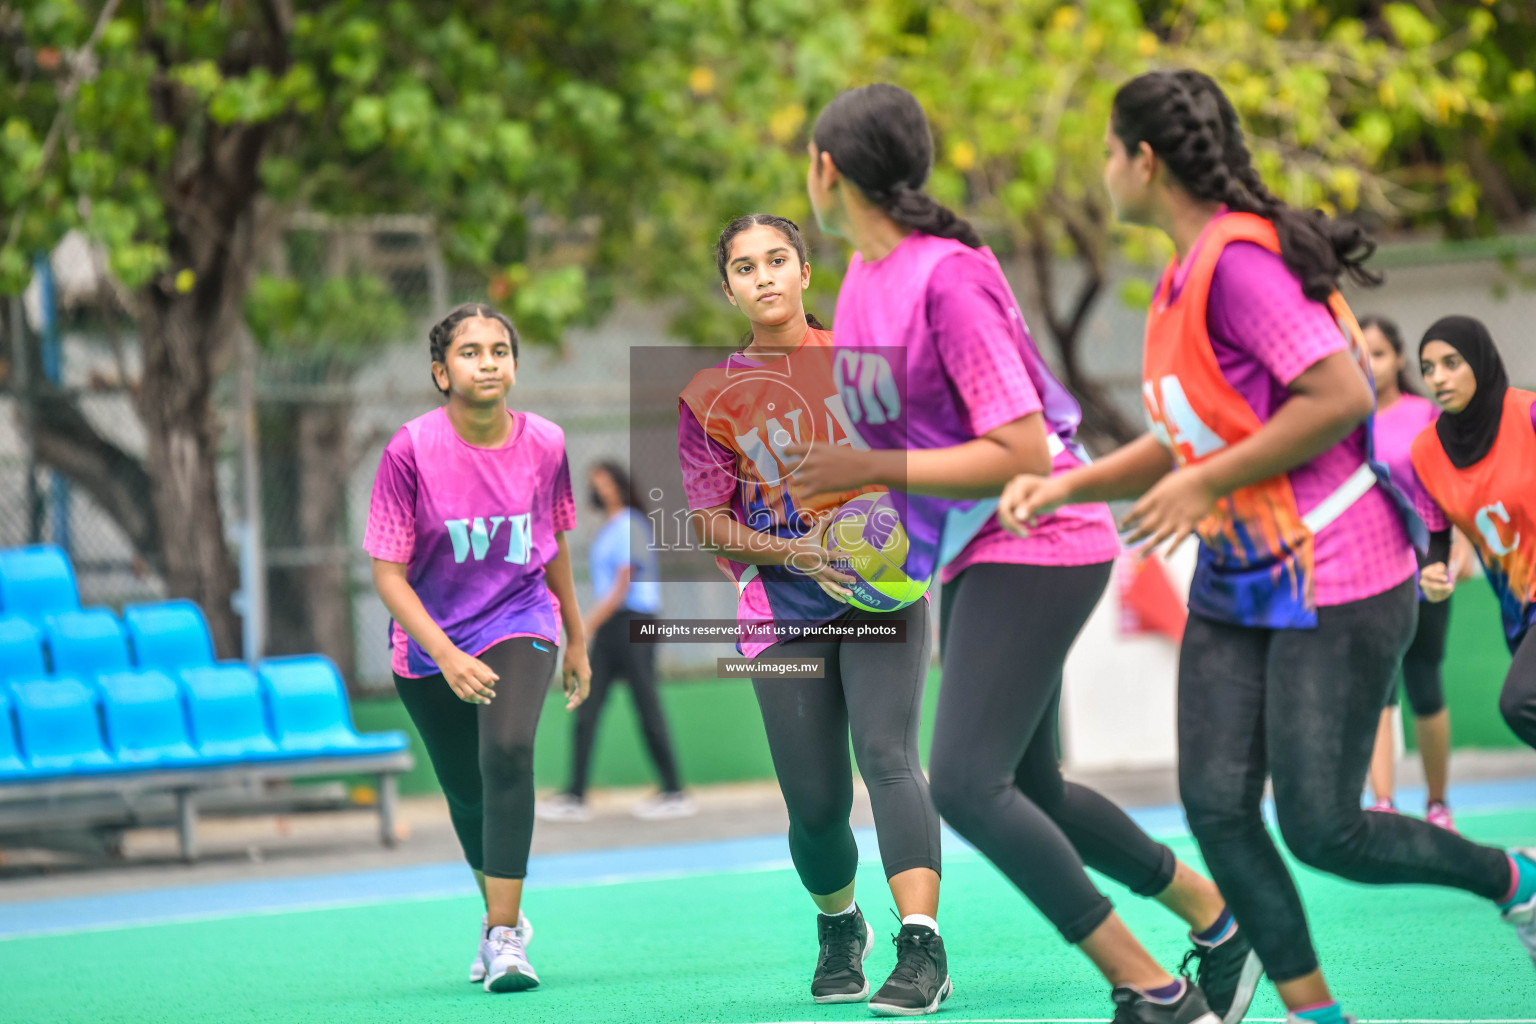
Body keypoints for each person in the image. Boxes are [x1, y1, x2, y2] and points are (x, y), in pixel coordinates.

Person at [1002, 69, 1536, 1023]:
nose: (1101, 168)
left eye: (1107, 150)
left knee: (1326, 829)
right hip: (1238, 578)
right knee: (1213, 805)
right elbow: (1189, 434)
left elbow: (1339, 397)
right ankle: (1314, 1012)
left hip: (1342, 570)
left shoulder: (1240, 261)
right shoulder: (1177, 275)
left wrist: (1203, 483)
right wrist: (1072, 481)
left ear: (1145, 159)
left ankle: (1516, 879)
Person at [788, 83, 1253, 1024]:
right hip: (971, 548)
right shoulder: (864, 283)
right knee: (1032, 787)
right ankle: (1220, 922)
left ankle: (1152, 988)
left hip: (1041, 537)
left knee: (962, 779)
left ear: (828, 171)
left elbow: (1022, 451)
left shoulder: (948, 276)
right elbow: (916, 451)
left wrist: (865, 462)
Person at [678, 213, 949, 1016]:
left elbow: (924, 464)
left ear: (804, 272)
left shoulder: (863, 366)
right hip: (782, 608)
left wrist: (899, 532)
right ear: (727, 288)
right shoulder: (707, 397)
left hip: (882, 599)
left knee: (890, 756)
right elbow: (707, 519)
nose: (762, 275)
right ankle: (841, 926)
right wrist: (795, 551)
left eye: (777, 259)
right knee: (817, 805)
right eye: (743, 266)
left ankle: (922, 943)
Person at [365, 302, 592, 993]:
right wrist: (445, 654)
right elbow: (387, 573)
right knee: (467, 794)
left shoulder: (547, 442)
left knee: (508, 752)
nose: (487, 362)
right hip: (429, 640)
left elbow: (552, 547)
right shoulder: (410, 449)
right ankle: (499, 918)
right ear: (441, 372)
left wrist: (576, 636)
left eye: (499, 350)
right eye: (470, 352)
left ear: (514, 366)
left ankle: (504, 936)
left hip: (520, 615)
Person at [1360, 315, 1471, 829]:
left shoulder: (1425, 414)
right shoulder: (1345, 419)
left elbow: (1457, 486)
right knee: (1377, 686)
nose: (1370, 363)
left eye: (1379, 352)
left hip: (1426, 559)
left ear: (1400, 359)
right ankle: (1382, 803)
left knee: (1424, 680)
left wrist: (1459, 552)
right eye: (1360, 353)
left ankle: (1438, 803)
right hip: (1369, 566)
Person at [1412, 316, 1536, 770]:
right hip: (1517, 607)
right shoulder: (1426, 450)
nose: (1438, 378)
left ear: (1479, 362)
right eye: (1427, 368)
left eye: (1451, 363)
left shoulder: (1529, 414)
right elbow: (1438, 531)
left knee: (1521, 702)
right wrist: (1434, 568)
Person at [538, 461, 693, 822]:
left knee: (647, 706)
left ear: (619, 483)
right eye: (594, 483)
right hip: (612, 628)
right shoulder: (606, 529)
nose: (599, 488)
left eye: (604, 481)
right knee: (587, 705)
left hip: (635, 623)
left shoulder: (631, 524)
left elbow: (624, 583)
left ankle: (675, 791)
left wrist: (586, 624)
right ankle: (575, 795)